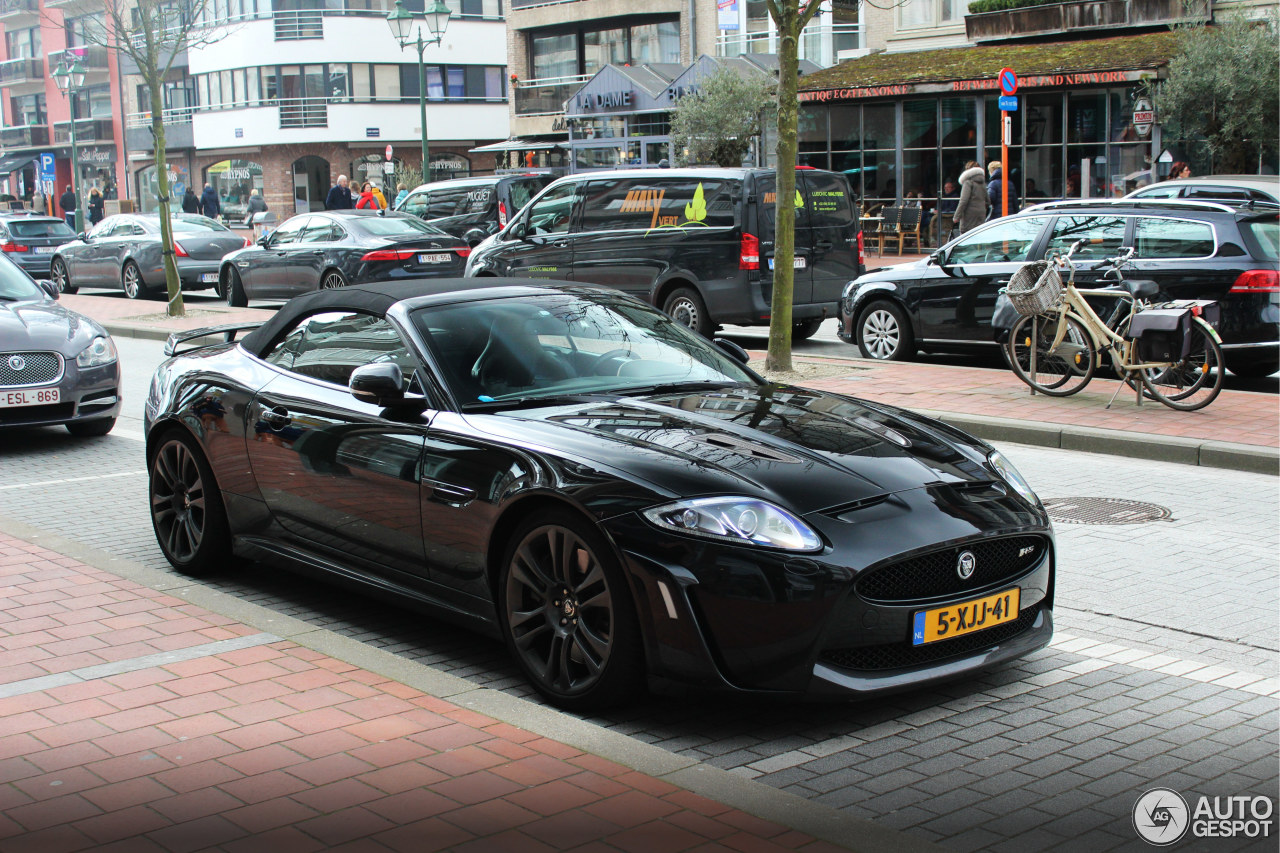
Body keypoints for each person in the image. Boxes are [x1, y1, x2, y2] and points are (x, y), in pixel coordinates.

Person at [952, 161, 988, 235]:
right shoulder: (983, 183)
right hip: (981, 214)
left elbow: (963, 201)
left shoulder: (968, 182)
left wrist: (956, 216)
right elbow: (988, 201)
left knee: (966, 238)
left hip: (969, 216)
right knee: (979, 236)